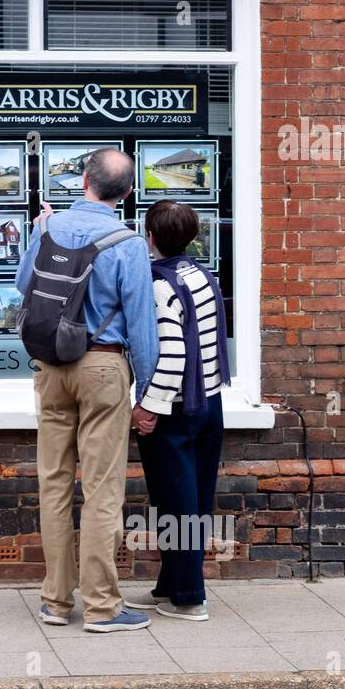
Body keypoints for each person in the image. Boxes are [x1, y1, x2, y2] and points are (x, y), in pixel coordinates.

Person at [15, 148, 159, 634]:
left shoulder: (49, 229)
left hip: (51, 366)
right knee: (102, 490)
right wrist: (148, 392)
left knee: (53, 483)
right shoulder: (128, 242)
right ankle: (102, 608)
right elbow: (141, 324)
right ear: (128, 193)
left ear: (83, 181)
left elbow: (22, 285)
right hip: (103, 367)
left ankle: (55, 602)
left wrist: (38, 234)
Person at [127, 201, 230, 622]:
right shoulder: (200, 274)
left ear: (150, 236)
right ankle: (171, 586)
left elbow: (171, 354)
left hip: (175, 408)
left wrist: (147, 408)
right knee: (193, 499)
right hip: (209, 401)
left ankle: (189, 598)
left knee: (178, 505)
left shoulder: (161, 284)